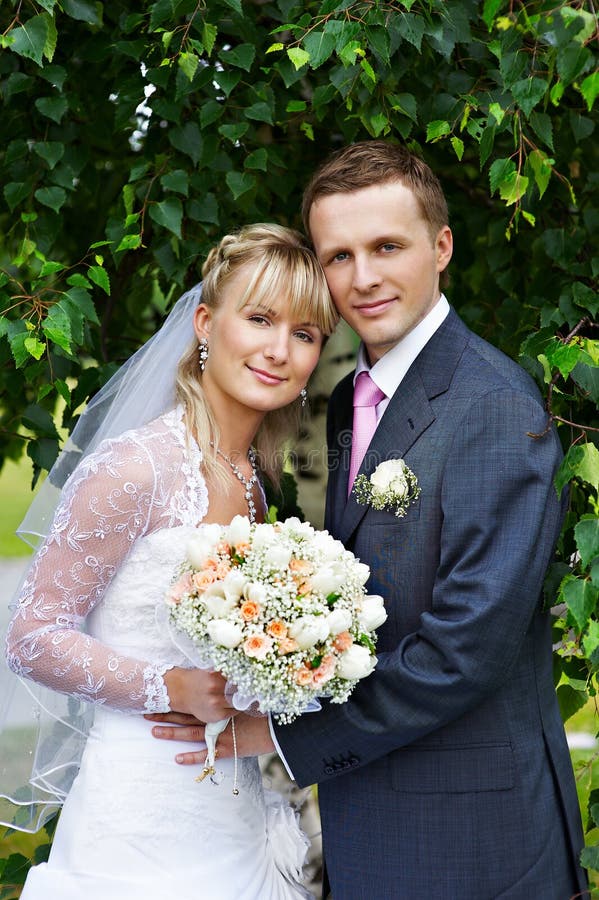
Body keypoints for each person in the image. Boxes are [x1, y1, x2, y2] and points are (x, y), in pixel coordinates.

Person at [150, 142, 587, 899]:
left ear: (441, 245)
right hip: (371, 815)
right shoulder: (336, 402)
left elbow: (465, 649)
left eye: (387, 246)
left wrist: (284, 737)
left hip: (468, 836)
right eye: (338, 256)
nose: (363, 278)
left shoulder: (493, 408)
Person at [1, 223, 339, 899]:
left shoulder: (250, 480)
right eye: (260, 319)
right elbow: (32, 636)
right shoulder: (136, 467)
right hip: (140, 817)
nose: (279, 349)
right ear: (206, 324)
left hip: (232, 806)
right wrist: (171, 687)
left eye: (304, 334)